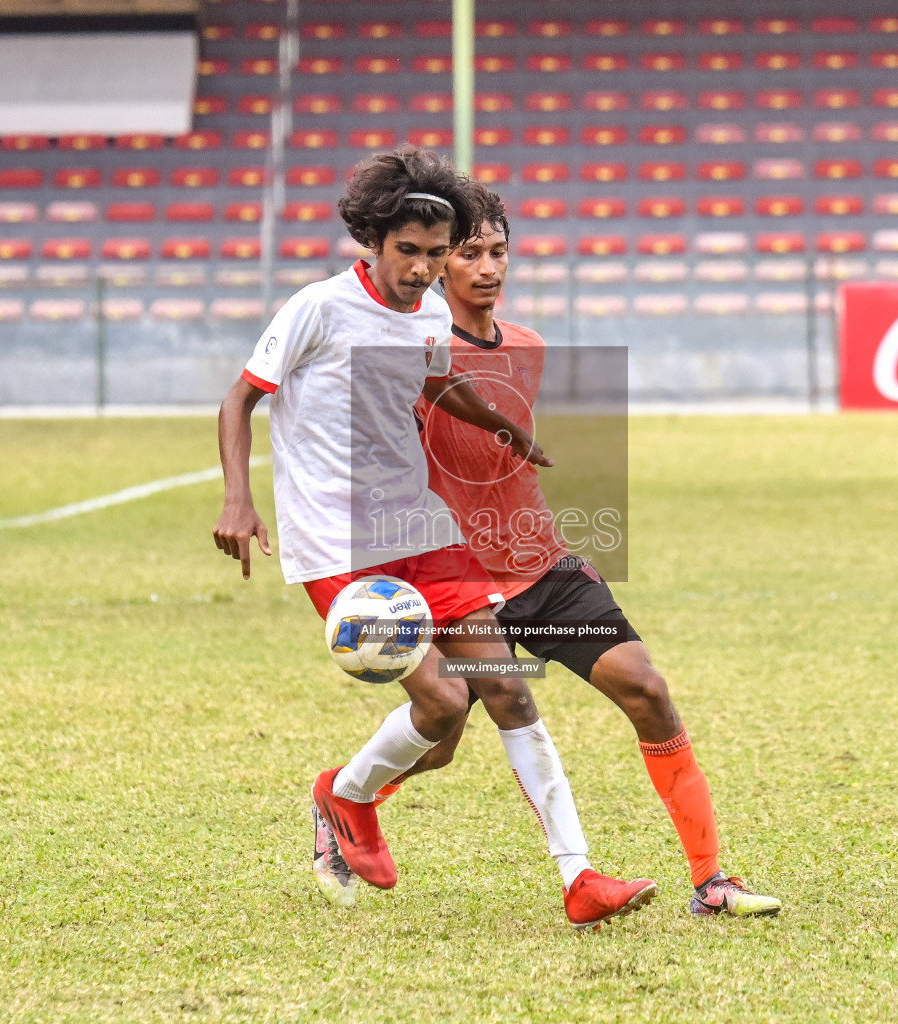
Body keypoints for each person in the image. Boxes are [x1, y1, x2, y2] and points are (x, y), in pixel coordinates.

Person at [213, 148, 656, 929]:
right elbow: (239, 400)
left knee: (508, 686)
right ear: (373, 243)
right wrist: (239, 501)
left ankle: (579, 877)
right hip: (339, 545)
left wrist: (498, 423)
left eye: (435, 254)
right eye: (408, 252)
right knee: (444, 705)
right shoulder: (316, 308)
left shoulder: (426, 315)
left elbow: (429, 380)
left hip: (422, 527)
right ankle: (344, 796)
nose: (423, 270)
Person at [319, 184, 781, 917]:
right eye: (468, 253)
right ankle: (345, 798)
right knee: (440, 742)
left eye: (497, 251)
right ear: (438, 265)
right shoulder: (409, 353)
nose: (487, 267)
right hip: (461, 582)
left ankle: (711, 882)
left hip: (543, 567)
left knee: (649, 692)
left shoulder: (527, 347)